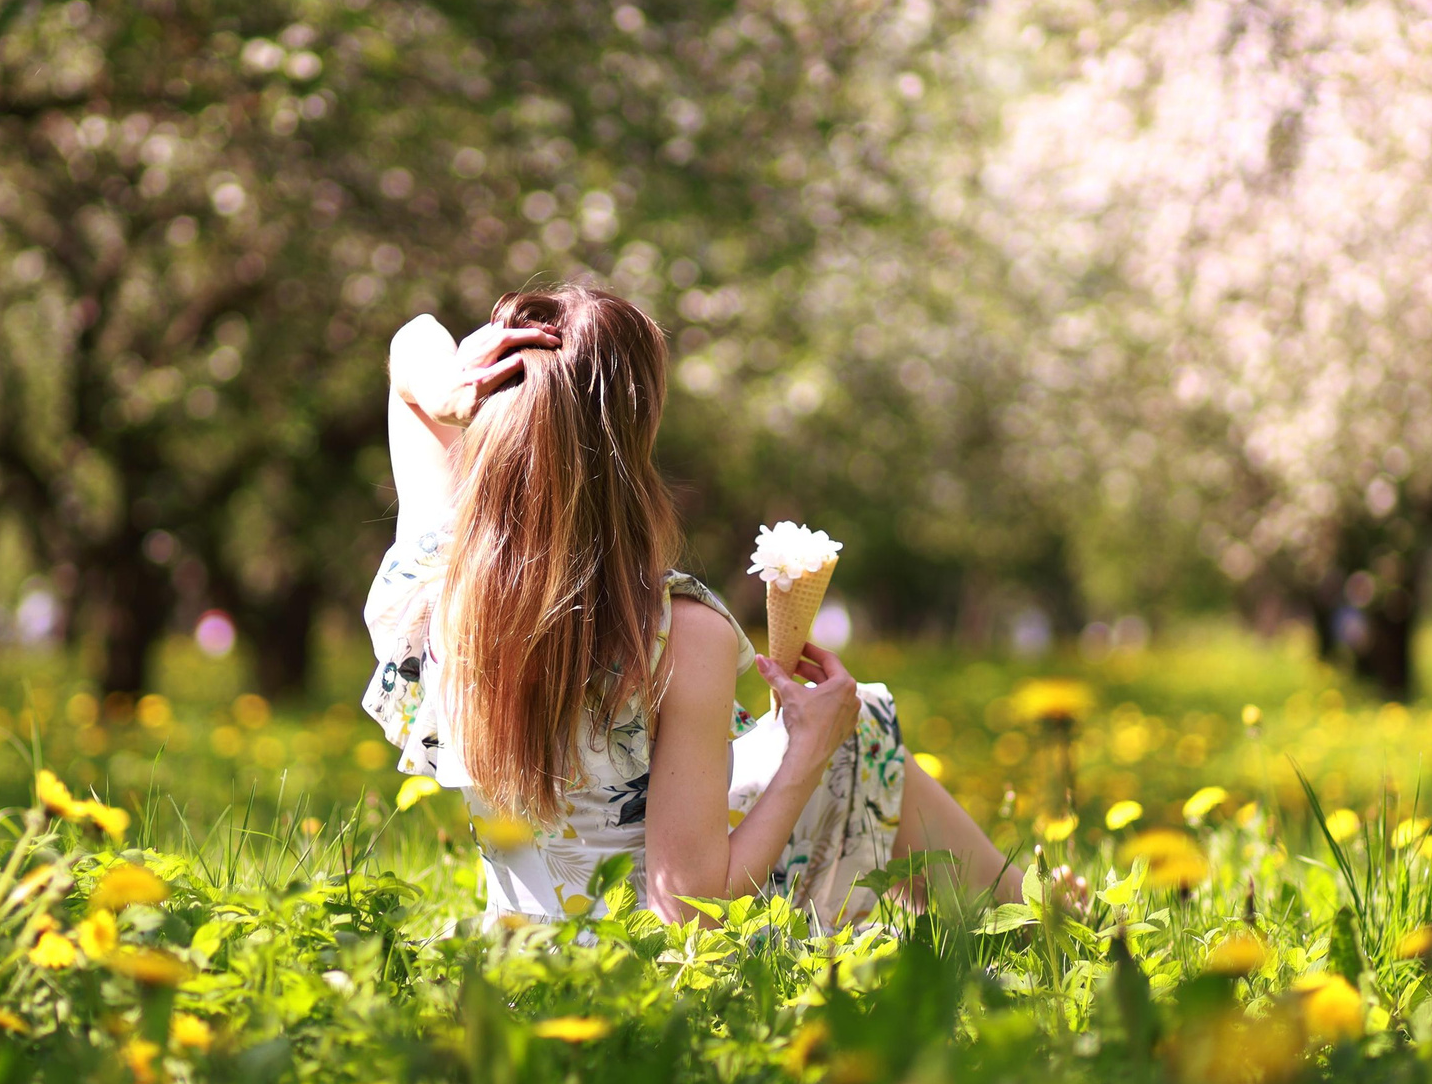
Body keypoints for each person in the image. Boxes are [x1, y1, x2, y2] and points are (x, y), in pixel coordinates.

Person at [362, 283, 1022, 930]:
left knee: (854, 731)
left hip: (513, 953)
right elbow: (686, 914)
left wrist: (451, 387)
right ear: (632, 439)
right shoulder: (678, 633)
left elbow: (411, 339)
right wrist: (807, 752)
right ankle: (1042, 923)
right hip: (636, 968)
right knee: (856, 730)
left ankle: (1007, 915)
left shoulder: (432, 586)